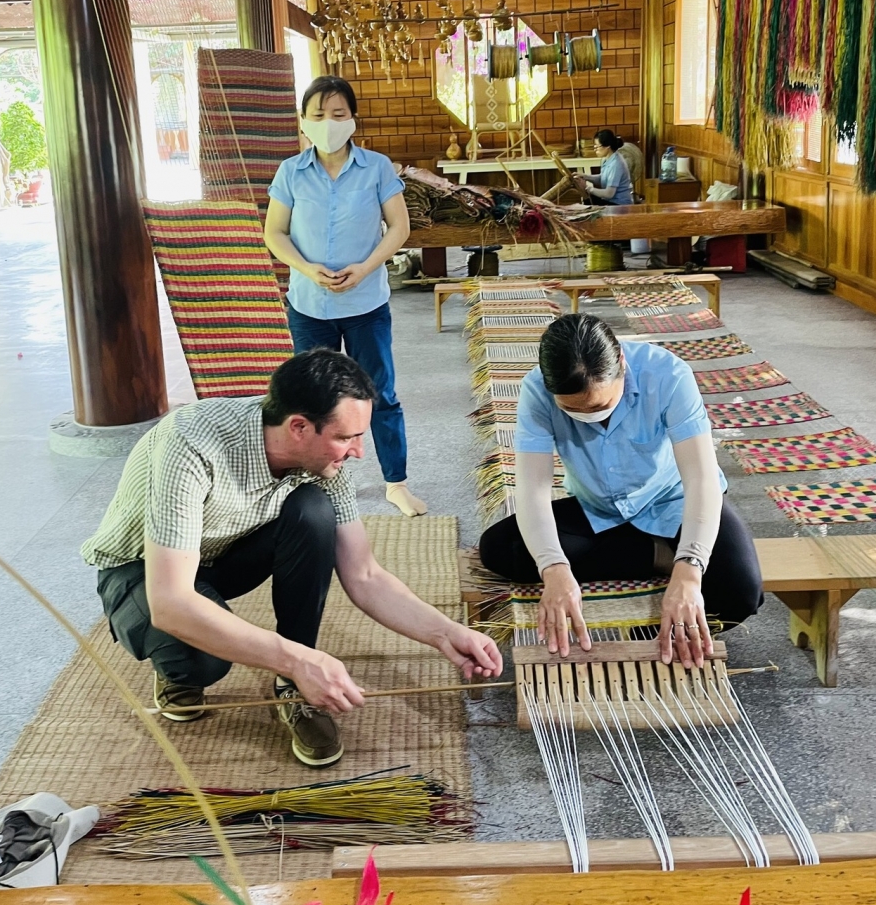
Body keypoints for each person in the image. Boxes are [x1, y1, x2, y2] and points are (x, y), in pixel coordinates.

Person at [83, 350, 502, 767]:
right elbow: (171, 602)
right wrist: (296, 658)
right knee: (202, 660)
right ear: (298, 427)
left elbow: (365, 575)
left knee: (312, 510)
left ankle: (294, 687)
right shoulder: (191, 442)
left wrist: (447, 634)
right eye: (346, 437)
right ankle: (182, 672)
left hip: (222, 556)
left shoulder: (322, 458)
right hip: (143, 569)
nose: (358, 452)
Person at [478, 314, 763, 667]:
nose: (589, 417)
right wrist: (554, 570)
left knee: (741, 591)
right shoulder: (537, 390)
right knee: (500, 549)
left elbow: (700, 478)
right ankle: (656, 555)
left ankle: (669, 565)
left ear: (622, 366)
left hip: (673, 503)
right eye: (572, 411)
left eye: (597, 407)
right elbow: (532, 489)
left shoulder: (669, 375)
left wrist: (690, 568)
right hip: (601, 511)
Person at [265, 75, 425, 519]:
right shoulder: (290, 172)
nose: (328, 124)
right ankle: (317, 484)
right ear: (303, 121)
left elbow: (399, 227)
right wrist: (305, 267)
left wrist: (365, 268)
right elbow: (274, 233)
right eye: (318, 115)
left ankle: (396, 483)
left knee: (382, 393)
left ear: (352, 120)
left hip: (365, 306)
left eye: (338, 115)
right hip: (309, 307)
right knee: (312, 398)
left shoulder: (377, 167)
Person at [574, 129, 636, 205]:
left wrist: (587, 188)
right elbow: (603, 178)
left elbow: (609, 194)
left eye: (597, 146)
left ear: (607, 146)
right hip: (610, 201)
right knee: (588, 199)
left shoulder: (616, 164)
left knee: (589, 201)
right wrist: (585, 177)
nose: (595, 149)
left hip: (619, 205)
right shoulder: (606, 158)